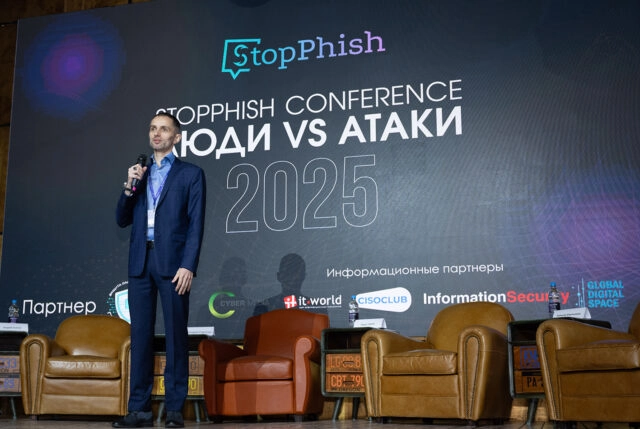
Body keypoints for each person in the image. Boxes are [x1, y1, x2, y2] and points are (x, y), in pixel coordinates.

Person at [114, 112, 206, 428]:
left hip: (174, 265)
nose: (157, 133)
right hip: (141, 262)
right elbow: (121, 219)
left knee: (175, 337)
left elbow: (196, 224)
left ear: (176, 137)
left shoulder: (191, 174)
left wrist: (188, 265)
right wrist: (129, 187)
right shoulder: (140, 173)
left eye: (164, 129)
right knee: (140, 337)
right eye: (153, 128)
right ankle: (139, 410)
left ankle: (175, 409)